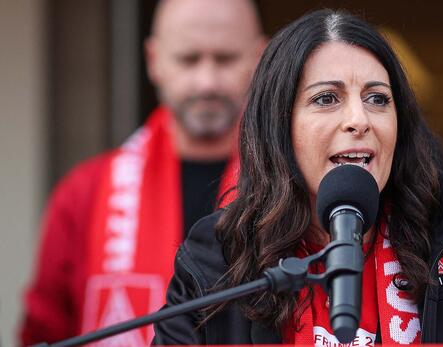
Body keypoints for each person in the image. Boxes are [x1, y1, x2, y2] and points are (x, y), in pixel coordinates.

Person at [152, 9, 443, 345]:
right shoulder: (216, 261)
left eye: (377, 99)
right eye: (326, 99)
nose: (359, 119)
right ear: (279, 128)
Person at [20, 0, 267, 344]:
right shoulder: (84, 194)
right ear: (154, 61)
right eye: (189, 59)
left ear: (260, 58)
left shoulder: (290, 186)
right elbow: (43, 332)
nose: (207, 82)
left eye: (225, 59)